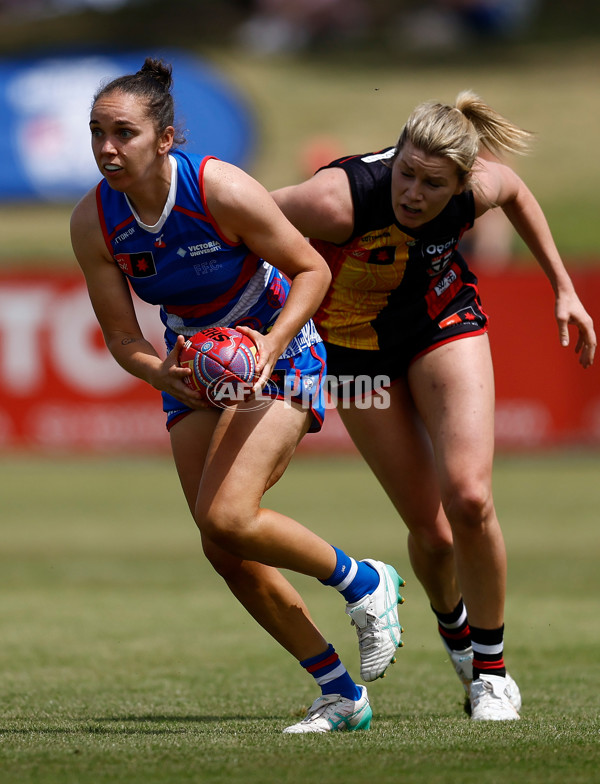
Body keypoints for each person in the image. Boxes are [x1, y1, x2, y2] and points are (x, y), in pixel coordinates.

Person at [70, 57, 406, 734]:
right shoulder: (94, 222)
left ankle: (364, 580)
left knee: (227, 514)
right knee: (222, 546)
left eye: (124, 133)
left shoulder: (217, 188)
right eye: (97, 132)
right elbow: (119, 336)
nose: (108, 147)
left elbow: (311, 270)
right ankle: (341, 696)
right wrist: (160, 373)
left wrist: (269, 347)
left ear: (164, 138)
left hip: (281, 349)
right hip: (194, 367)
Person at [272, 91, 596, 721]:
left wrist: (564, 288)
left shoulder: (478, 187)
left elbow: (518, 193)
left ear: (459, 184)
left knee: (470, 499)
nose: (414, 193)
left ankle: (493, 674)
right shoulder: (336, 199)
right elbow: (240, 219)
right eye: (407, 174)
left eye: (433, 184)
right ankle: (453, 624)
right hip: (351, 353)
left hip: (442, 323)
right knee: (434, 532)